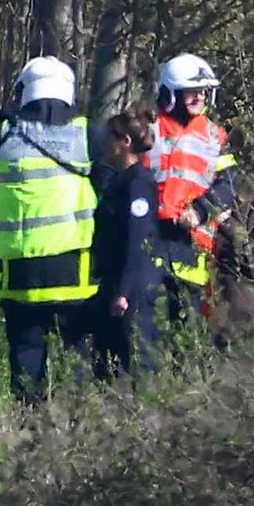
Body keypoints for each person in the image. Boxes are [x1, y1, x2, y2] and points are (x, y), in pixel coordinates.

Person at [0, 55, 102, 398]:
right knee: (76, 364)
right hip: (74, 277)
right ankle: (78, 436)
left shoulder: (4, 134)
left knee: (26, 363)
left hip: (21, 276)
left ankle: (29, 435)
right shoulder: (88, 134)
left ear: (24, 92)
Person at [130, 54, 237, 376]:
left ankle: (185, 388)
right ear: (170, 93)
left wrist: (202, 211)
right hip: (149, 236)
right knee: (142, 321)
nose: (200, 96)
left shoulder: (215, 136)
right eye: (192, 90)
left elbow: (229, 184)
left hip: (192, 240)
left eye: (203, 90)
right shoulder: (149, 128)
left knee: (189, 322)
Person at [87, 112, 154, 376]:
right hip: (113, 282)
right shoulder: (119, 180)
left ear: (124, 142)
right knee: (105, 365)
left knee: (136, 363)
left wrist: (124, 291)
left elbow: (137, 238)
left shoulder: (138, 183)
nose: (104, 143)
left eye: (109, 137)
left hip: (132, 289)